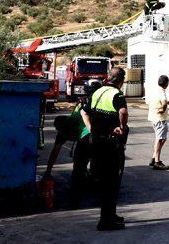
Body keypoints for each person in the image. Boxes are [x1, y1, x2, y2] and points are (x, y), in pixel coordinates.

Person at [82, 67, 129, 231]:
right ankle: (105, 221)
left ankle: (110, 215)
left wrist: (90, 128)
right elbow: (123, 112)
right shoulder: (117, 94)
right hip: (111, 144)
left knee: (104, 181)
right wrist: (122, 128)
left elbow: (84, 112)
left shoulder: (98, 92)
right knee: (112, 182)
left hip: (96, 143)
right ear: (120, 80)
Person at [42, 80, 99, 208]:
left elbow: (55, 153)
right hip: (96, 139)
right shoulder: (74, 117)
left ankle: (75, 200)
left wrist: (48, 171)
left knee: (78, 172)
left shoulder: (63, 130)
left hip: (87, 142)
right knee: (93, 169)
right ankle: (96, 188)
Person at [147, 75, 169, 170]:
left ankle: (154, 158)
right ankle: (157, 161)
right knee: (160, 139)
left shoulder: (155, 90)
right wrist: (162, 109)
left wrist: (164, 104)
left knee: (162, 138)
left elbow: (160, 101)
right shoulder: (162, 92)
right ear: (167, 83)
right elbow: (164, 103)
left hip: (153, 117)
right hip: (160, 118)